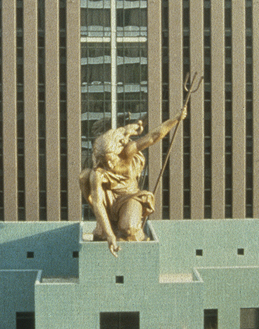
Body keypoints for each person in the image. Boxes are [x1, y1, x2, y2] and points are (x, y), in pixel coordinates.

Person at [79, 108, 187, 256]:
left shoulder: (128, 151)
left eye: (110, 160)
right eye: (104, 162)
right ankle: (105, 225)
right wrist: (110, 235)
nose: (108, 165)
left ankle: (134, 233)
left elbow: (153, 137)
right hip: (109, 201)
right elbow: (97, 203)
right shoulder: (98, 172)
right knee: (84, 176)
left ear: (117, 151)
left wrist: (175, 119)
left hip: (130, 197)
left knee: (128, 228)